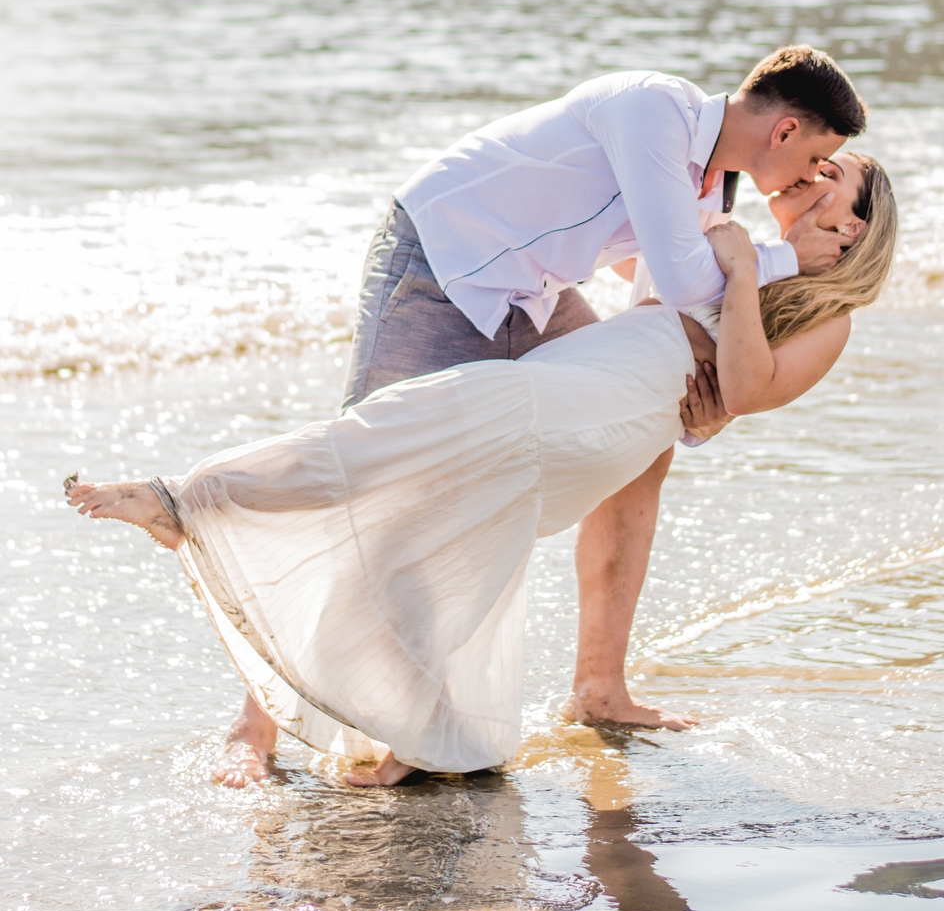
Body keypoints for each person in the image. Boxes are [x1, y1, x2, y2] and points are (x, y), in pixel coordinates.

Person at [67, 150, 897, 788]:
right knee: (440, 523)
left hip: (584, 410)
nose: (814, 173)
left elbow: (746, 388)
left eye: (837, 174)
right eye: (814, 161)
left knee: (385, 447)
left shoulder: (823, 310)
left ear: (855, 226)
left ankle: (190, 503)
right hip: (571, 392)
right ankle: (416, 734)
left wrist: (742, 273)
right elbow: (633, 265)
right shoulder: (732, 238)